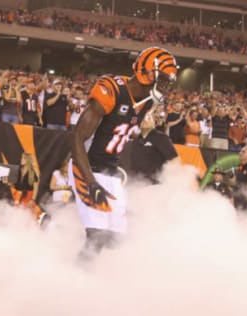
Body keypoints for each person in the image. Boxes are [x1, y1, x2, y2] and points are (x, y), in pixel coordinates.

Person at [69, 46, 178, 261]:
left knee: (118, 239)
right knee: (96, 236)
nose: (166, 86)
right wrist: (90, 182)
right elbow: (77, 138)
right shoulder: (112, 89)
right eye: (163, 79)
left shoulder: (146, 104)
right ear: (146, 74)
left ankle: (71, 245)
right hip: (87, 168)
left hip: (111, 173)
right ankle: (75, 278)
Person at [124, 109, 178, 184]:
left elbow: (174, 159)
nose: (145, 120)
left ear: (154, 122)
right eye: (143, 118)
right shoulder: (134, 139)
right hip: (135, 182)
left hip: (154, 184)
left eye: (149, 118)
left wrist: (172, 180)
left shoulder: (161, 138)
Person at [2, 152, 49, 226]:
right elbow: (13, 185)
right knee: (20, 216)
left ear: (28, 160)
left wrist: (33, 200)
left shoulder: (32, 172)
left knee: (31, 216)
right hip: (18, 197)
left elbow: (36, 188)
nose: (21, 160)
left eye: (23, 158)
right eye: (21, 158)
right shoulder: (18, 170)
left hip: (28, 197)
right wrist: (7, 182)